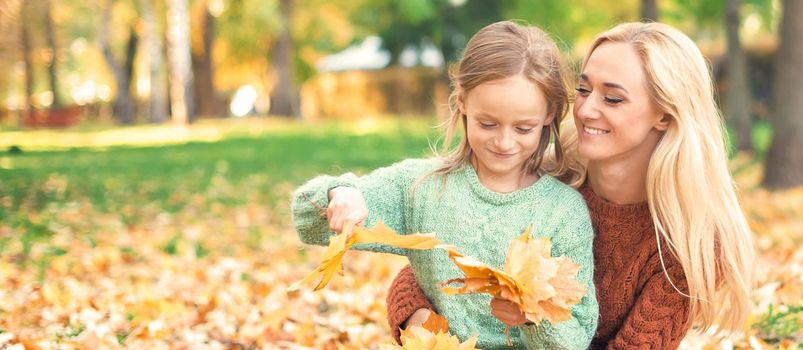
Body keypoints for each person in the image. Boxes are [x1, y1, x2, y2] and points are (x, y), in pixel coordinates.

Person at [386, 21, 756, 349]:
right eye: (583, 90)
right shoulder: (541, 182)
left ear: (664, 114)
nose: (586, 110)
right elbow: (426, 275)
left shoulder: (690, 244)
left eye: (612, 98)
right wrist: (428, 330)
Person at [291, 21, 599, 349]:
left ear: (549, 114)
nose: (504, 142)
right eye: (488, 123)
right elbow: (307, 220)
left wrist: (532, 316)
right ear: (463, 102)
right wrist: (341, 195)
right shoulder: (424, 187)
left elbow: (575, 339)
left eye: (523, 128)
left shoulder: (563, 212)